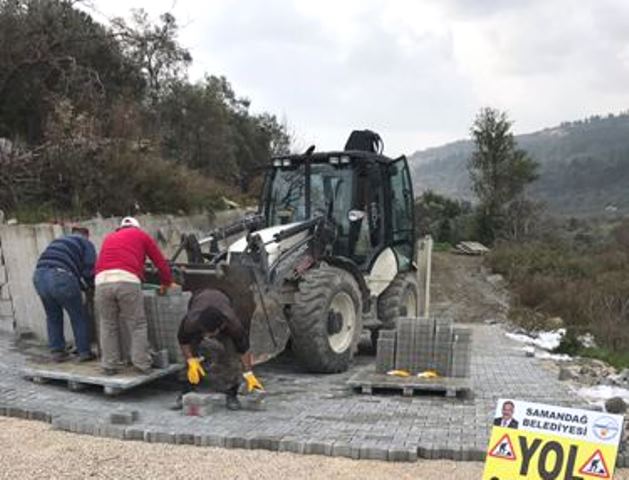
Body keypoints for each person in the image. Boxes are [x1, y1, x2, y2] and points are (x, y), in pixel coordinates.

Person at [95, 217, 173, 375]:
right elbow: (160, 262)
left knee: (108, 324)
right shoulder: (141, 235)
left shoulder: (109, 237)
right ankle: (142, 364)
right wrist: (167, 282)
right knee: (137, 324)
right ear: (136, 227)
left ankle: (109, 365)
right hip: (127, 280)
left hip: (101, 281)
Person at [175, 288, 264, 411]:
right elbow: (183, 341)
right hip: (199, 298)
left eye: (210, 333)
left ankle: (231, 393)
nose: (206, 336)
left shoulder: (233, 325)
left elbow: (244, 349)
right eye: (204, 332)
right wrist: (191, 360)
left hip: (222, 298)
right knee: (191, 357)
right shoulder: (192, 321)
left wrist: (249, 373)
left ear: (221, 327)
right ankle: (185, 391)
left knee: (231, 358)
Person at [33, 226, 96, 362]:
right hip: (60, 276)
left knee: (53, 316)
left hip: (39, 276)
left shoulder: (59, 241)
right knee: (78, 315)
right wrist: (91, 287)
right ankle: (84, 352)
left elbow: (70, 269)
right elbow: (89, 269)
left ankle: (57, 351)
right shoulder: (85, 243)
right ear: (86, 235)